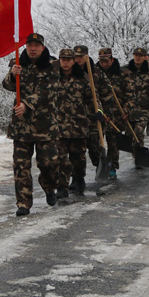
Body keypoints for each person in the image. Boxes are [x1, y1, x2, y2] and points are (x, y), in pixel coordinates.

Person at [1, 33, 61, 216]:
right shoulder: (18, 63)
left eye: (36, 45)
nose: (33, 48)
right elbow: (6, 85)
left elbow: (49, 90)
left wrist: (27, 104)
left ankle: (50, 188)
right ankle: (23, 203)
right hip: (21, 126)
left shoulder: (53, 65)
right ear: (25, 47)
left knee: (48, 163)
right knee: (20, 166)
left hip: (45, 126)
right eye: (29, 45)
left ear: (42, 47)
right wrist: (13, 75)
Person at [52, 48, 99, 197]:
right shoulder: (53, 78)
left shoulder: (83, 78)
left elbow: (93, 99)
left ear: (73, 61)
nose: (65, 62)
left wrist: (98, 112)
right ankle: (62, 186)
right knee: (60, 157)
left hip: (78, 124)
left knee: (78, 156)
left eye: (68, 59)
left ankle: (79, 179)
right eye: (63, 59)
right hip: (59, 125)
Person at [74, 44, 113, 190]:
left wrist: (104, 113)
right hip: (76, 117)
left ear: (86, 56)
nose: (78, 59)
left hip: (94, 117)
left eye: (81, 56)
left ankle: (101, 168)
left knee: (95, 147)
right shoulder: (70, 72)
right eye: (76, 56)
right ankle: (77, 178)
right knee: (76, 151)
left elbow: (107, 95)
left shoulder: (96, 73)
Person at [96, 47, 134, 179]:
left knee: (113, 142)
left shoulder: (123, 73)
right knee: (97, 142)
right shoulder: (95, 73)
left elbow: (130, 95)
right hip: (100, 113)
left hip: (117, 113)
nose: (104, 64)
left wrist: (127, 111)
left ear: (112, 59)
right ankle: (100, 166)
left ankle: (112, 167)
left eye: (106, 61)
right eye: (101, 61)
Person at [125, 47, 149, 165]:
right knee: (129, 134)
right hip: (129, 108)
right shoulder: (126, 71)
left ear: (145, 57)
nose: (137, 57)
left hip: (143, 108)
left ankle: (139, 158)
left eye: (140, 55)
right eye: (135, 55)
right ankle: (136, 153)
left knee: (138, 132)